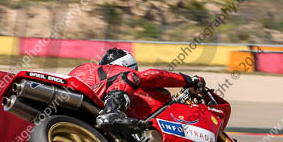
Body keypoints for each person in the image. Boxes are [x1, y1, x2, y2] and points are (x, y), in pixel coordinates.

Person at [68, 48, 205, 134]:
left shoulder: (86, 68)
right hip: (95, 107)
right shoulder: (122, 72)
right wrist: (189, 80)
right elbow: (154, 74)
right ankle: (111, 113)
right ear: (128, 65)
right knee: (130, 77)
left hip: (72, 103)